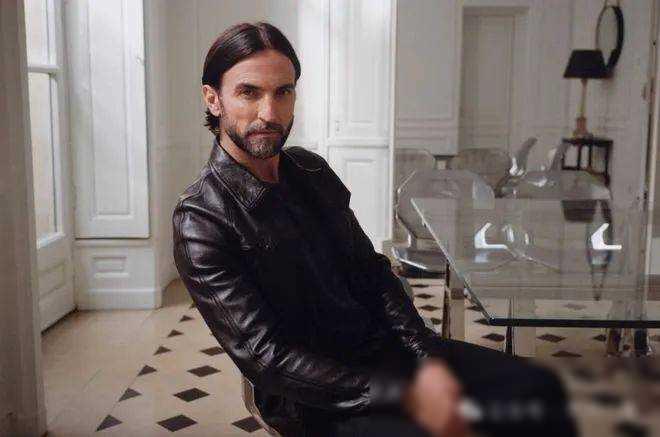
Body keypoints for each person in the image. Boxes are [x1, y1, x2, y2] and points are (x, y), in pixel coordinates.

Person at [172, 21, 578, 437]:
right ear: (213, 99)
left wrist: (425, 357)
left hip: (385, 352)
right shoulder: (201, 219)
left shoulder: (311, 171)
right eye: (249, 92)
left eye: (283, 92)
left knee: (538, 389)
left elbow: (372, 273)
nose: (269, 113)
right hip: (312, 397)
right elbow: (268, 359)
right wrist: (404, 394)